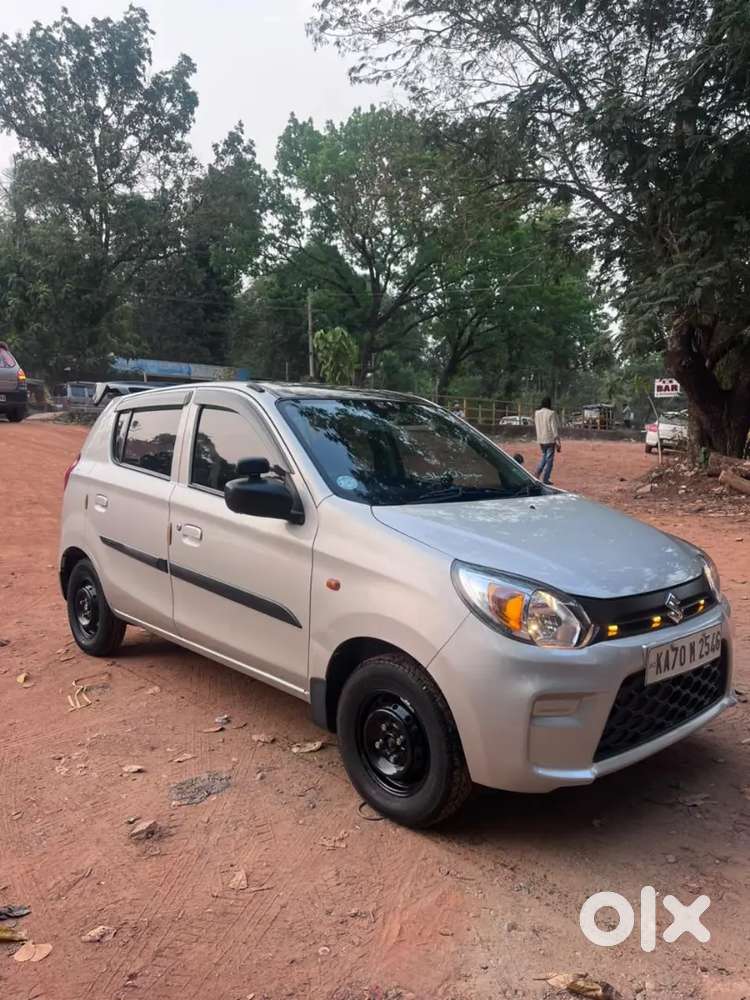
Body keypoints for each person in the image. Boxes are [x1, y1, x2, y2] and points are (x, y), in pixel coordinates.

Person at [534, 395, 561, 483]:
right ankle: (546, 478)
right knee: (549, 460)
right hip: (549, 439)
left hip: (541, 439)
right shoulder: (551, 413)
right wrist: (558, 442)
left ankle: (537, 472)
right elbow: (554, 428)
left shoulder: (537, 413)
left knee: (544, 457)